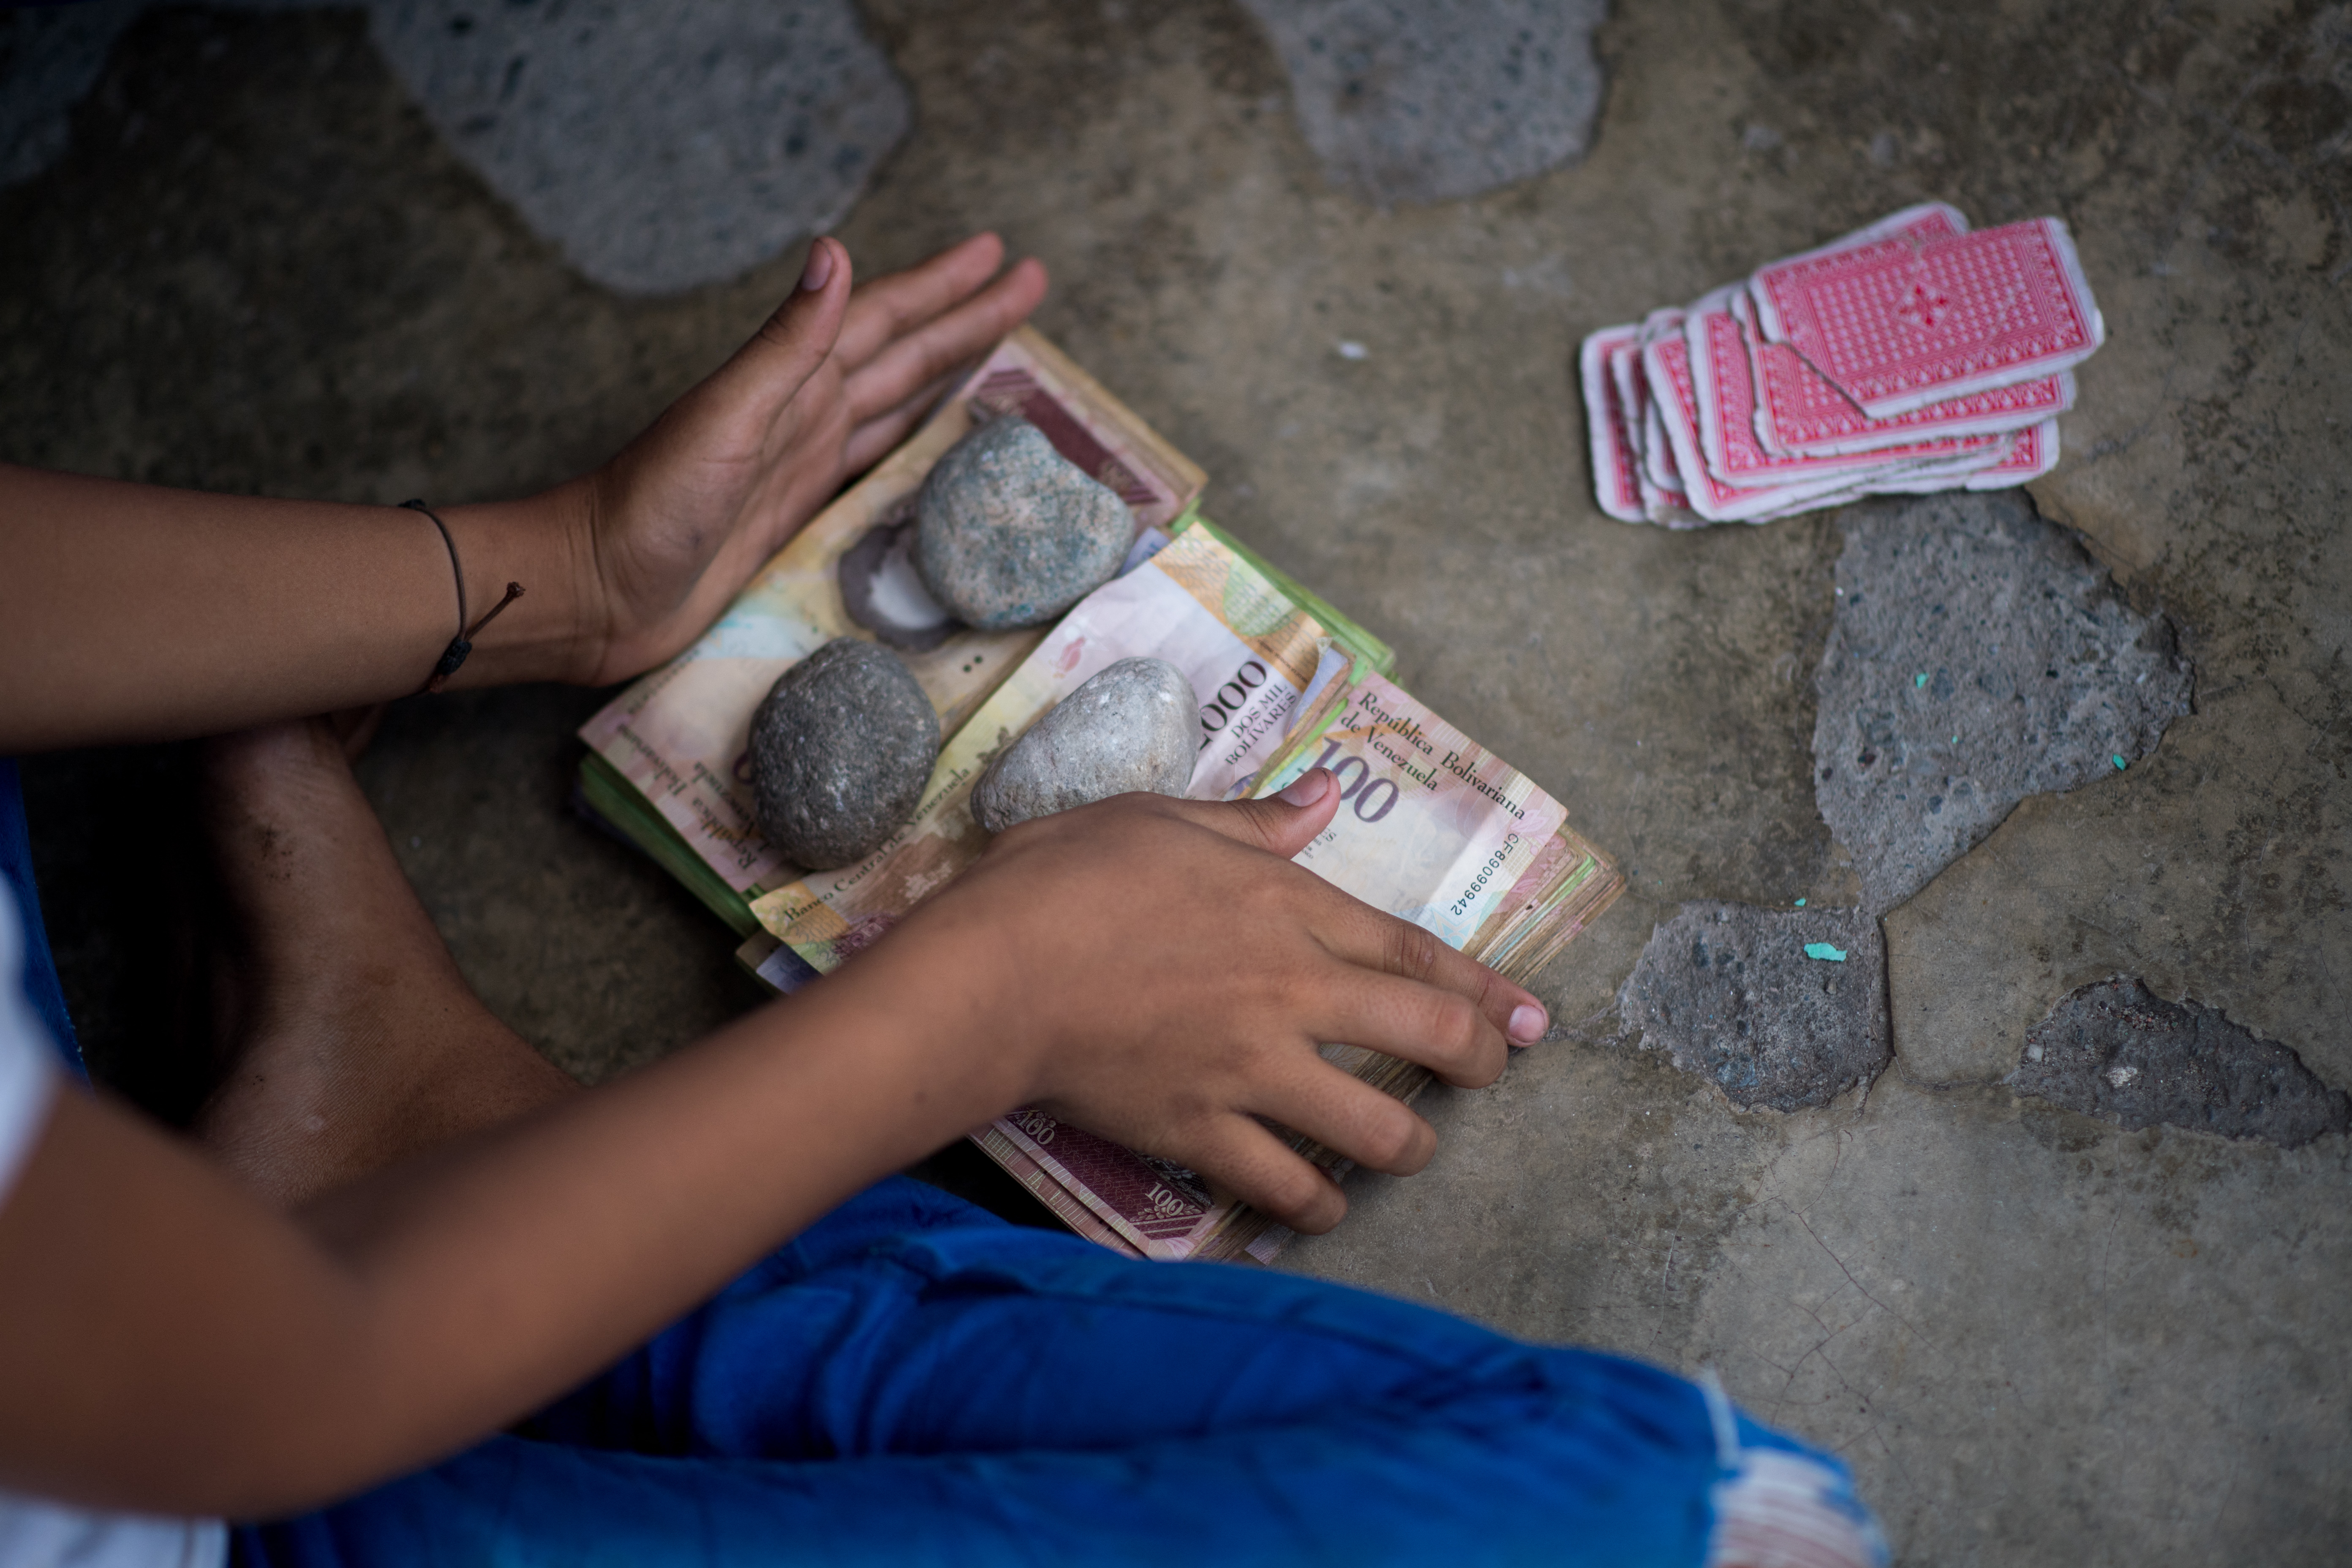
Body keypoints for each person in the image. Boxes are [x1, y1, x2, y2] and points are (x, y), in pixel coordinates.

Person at [0, 232, 1883, 1567]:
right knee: (1709, 1515)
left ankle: (408, 1158)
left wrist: (567, 575)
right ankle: (403, 1168)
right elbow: (258, 1389)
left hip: (157, 1347)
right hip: (199, 1451)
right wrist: (991, 996)